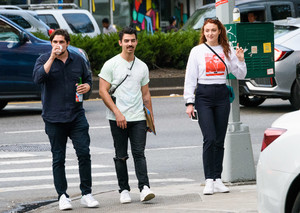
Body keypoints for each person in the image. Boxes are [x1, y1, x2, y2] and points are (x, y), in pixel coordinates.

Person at [33, 29, 99, 210]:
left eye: (61, 42)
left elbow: (88, 82)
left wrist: (87, 88)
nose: (58, 45)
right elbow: (38, 78)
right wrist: (52, 59)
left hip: (76, 115)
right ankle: (62, 195)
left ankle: (87, 193)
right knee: (58, 158)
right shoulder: (44, 60)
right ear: (51, 44)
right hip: (53, 118)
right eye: (54, 42)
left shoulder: (77, 60)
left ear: (68, 43)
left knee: (84, 153)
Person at [183, 18, 247, 195]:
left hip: (221, 95)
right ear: (203, 33)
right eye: (206, 31)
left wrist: (241, 60)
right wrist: (189, 102)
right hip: (203, 95)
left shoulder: (227, 50)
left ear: (220, 31)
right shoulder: (197, 51)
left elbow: (240, 74)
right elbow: (190, 77)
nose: (209, 33)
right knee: (209, 138)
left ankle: (218, 179)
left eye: (213, 30)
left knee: (219, 139)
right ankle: (208, 180)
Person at [99, 26, 155, 204]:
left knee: (139, 153)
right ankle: (123, 190)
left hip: (138, 117)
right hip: (117, 118)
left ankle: (144, 188)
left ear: (136, 42)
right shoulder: (111, 64)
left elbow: (146, 94)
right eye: (126, 41)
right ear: (120, 42)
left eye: (132, 40)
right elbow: (102, 91)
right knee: (121, 155)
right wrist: (117, 113)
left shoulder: (142, 66)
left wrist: (150, 119)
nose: (130, 44)